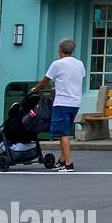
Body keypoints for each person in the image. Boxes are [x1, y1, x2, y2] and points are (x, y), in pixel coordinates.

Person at [31, 38, 86, 173]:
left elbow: (45, 81)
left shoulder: (57, 64)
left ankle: (68, 163)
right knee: (65, 130)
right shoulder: (79, 64)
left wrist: (35, 89)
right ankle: (62, 160)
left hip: (62, 102)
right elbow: (76, 79)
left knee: (63, 133)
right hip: (75, 102)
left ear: (60, 51)